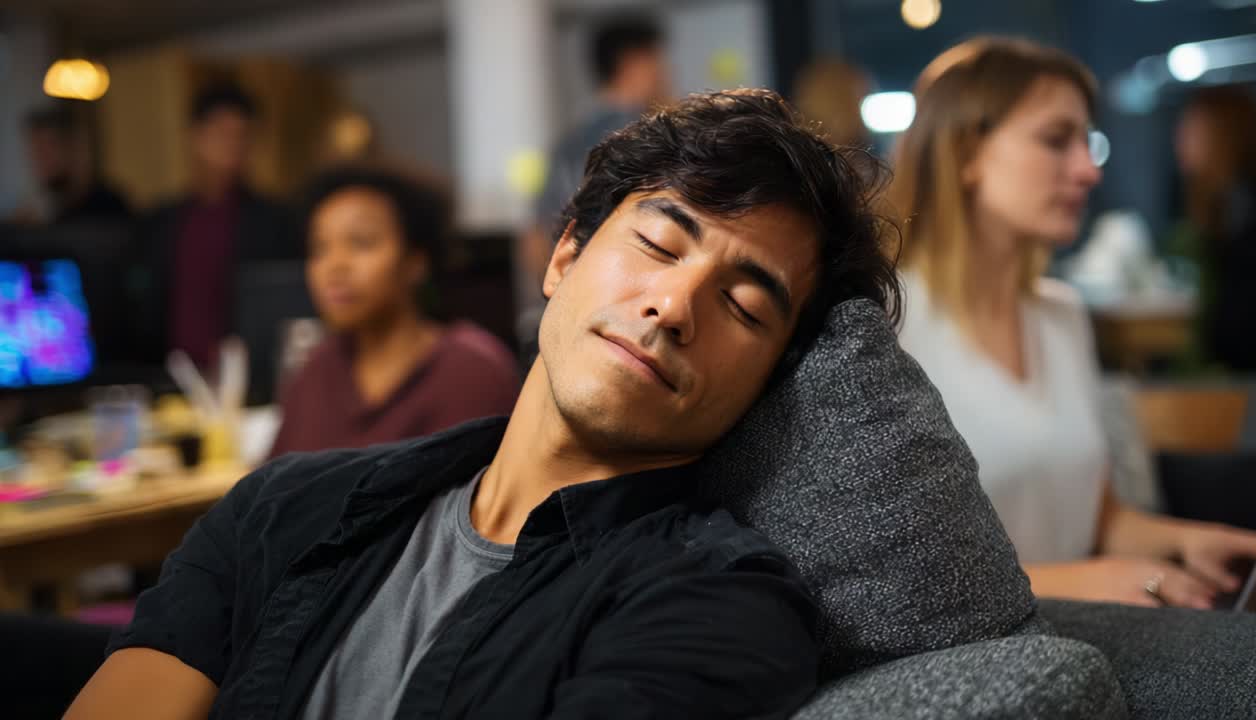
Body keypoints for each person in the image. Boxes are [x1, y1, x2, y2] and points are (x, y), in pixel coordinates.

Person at [66, 88, 896, 719]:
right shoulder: (281, 507)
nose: (674, 307)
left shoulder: (721, 608)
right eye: (657, 243)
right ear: (565, 256)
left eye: (745, 308)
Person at [890, 37, 1256, 609]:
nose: (1088, 171)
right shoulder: (885, 326)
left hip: (1091, 621)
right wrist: (1093, 580)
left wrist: (1188, 540)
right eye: (1055, 140)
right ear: (965, 153)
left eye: (1085, 142)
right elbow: (902, 576)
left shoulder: (1062, 315)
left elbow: (1096, 517)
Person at [269, 167, 520, 456]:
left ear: (416, 261)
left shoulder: (471, 371)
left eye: (361, 242)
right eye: (320, 248)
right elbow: (270, 489)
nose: (335, 265)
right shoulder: (315, 371)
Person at [516, 15, 670, 357]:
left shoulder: (566, 143)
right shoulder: (649, 136)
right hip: (631, 319)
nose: (665, 74)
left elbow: (533, 239)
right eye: (660, 61)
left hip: (571, 311)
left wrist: (560, 295)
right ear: (637, 62)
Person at [135, 83, 299, 370]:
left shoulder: (274, 221)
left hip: (246, 373)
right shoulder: (162, 221)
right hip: (171, 373)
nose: (232, 146)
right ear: (197, 136)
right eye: (222, 134)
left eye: (242, 136)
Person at [1171, 84, 1256, 372]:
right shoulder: (1230, 204)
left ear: (1223, 135)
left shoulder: (1251, 209)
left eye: (1190, 131)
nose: (1180, 142)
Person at [20, 105, 131, 226]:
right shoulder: (56, 210)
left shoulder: (109, 211)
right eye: (34, 152)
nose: (38, 162)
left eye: (45, 151)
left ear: (73, 149)